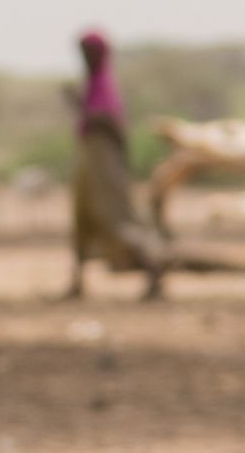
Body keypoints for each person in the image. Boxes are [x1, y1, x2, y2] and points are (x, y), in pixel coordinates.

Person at [61, 28, 166, 301]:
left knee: (118, 218)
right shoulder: (94, 85)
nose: (84, 57)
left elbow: (108, 123)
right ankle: (78, 283)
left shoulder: (105, 85)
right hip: (90, 162)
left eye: (88, 52)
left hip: (104, 164)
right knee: (82, 219)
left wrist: (80, 106)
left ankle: (154, 270)